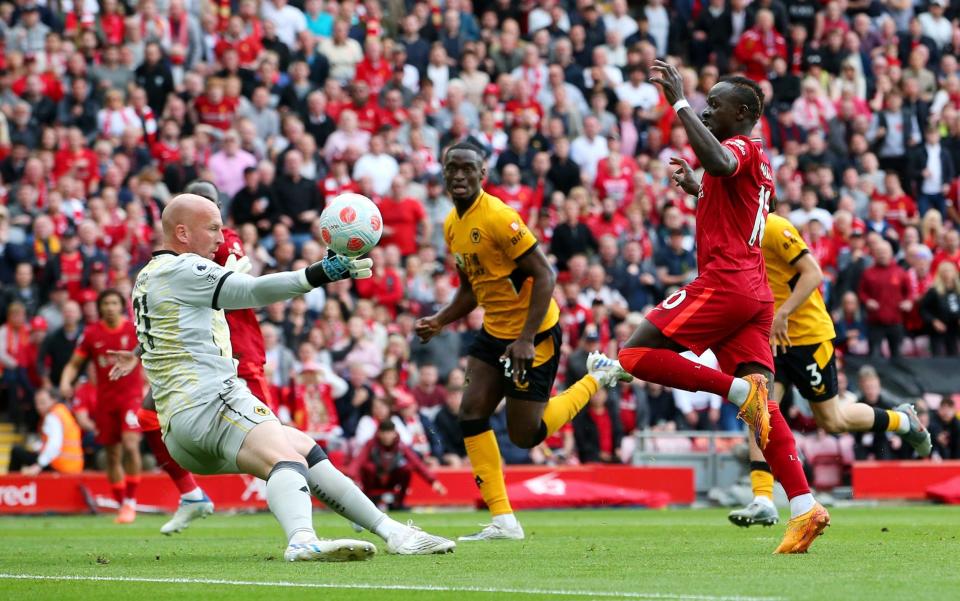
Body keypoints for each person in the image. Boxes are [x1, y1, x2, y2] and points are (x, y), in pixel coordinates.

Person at [131, 192, 453, 561]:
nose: (221, 238)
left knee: (303, 449)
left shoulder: (147, 277)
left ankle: (392, 531)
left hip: (179, 430)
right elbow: (250, 292)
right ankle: (302, 540)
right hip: (210, 403)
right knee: (287, 460)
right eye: (214, 228)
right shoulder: (182, 269)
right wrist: (321, 272)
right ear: (183, 233)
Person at [617, 60, 828, 554]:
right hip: (754, 290)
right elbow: (743, 200)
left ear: (745, 113)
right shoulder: (757, 162)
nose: (709, 111)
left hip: (727, 282)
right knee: (766, 406)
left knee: (633, 355)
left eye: (717, 105)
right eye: (706, 103)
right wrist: (700, 190)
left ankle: (734, 391)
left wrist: (681, 102)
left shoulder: (740, 148)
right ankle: (804, 506)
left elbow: (723, 163)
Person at [415, 141, 631, 542]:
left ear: (483, 176)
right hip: (495, 332)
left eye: (467, 169)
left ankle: (597, 378)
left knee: (525, 435)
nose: (459, 176)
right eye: (452, 169)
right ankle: (503, 520)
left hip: (535, 334)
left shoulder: (499, 216)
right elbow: (471, 288)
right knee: (471, 414)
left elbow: (545, 275)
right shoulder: (452, 225)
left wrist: (527, 338)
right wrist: (441, 319)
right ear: (443, 174)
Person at [728, 213, 931, 527]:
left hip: (808, 336)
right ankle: (763, 499)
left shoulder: (774, 227)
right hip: (770, 338)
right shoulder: (734, 230)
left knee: (833, 421)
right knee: (759, 409)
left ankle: (902, 420)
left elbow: (813, 274)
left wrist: (783, 313)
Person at [60, 289, 144, 524]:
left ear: (121, 306)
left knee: (130, 445)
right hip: (105, 400)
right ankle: (122, 504)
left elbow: (151, 350)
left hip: (131, 397)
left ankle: (131, 501)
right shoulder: (91, 333)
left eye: (114, 303)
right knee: (112, 454)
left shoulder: (133, 330)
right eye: (105, 303)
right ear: (100, 307)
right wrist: (66, 381)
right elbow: (74, 364)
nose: (109, 307)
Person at [349, 420, 447, 510]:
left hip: (392, 479)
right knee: (368, 467)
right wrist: (350, 478)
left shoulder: (401, 446)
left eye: (389, 433)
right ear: (379, 433)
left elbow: (417, 463)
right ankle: (368, 502)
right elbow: (358, 461)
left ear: (394, 433)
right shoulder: (371, 444)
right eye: (384, 433)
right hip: (375, 479)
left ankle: (399, 503)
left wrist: (433, 481)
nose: (387, 436)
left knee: (407, 469)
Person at [8, 388, 84, 475]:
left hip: (60, 466)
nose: (39, 406)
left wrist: (39, 465)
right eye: (37, 403)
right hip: (74, 466)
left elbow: (54, 445)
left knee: (16, 452)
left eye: (43, 402)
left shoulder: (52, 417)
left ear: (53, 400)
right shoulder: (63, 412)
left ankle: (11, 483)